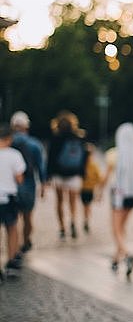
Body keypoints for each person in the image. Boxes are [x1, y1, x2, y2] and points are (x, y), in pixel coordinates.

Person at [103, 123, 133, 276]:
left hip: (117, 195)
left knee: (116, 228)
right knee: (122, 228)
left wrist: (99, 190)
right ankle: (116, 259)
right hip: (132, 196)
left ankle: (127, 255)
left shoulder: (114, 154)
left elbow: (106, 176)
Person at [43, 111, 88, 240]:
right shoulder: (79, 137)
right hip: (74, 175)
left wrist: (48, 176)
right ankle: (73, 221)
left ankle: (62, 228)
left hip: (59, 174)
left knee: (59, 201)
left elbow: (50, 158)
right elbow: (84, 157)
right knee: (73, 202)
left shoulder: (55, 137)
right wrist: (82, 172)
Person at [10, 111, 46, 253]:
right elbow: (40, 166)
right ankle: (26, 241)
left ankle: (14, 246)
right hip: (29, 182)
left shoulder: (7, 142)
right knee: (27, 216)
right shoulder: (35, 144)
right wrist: (43, 184)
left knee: (12, 219)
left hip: (11, 183)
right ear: (27, 126)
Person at [0, 124, 26, 279]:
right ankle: (10, 261)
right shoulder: (14, 154)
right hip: (9, 197)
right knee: (12, 228)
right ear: (9, 138)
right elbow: (19, 179)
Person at [80, 143, 102, 234]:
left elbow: (98, 179)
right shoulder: (93, 165)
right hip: (88, 189)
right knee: (87, 206)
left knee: (86, 206)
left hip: (84, 189)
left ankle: (86, 220)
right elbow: (99, 179)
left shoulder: (81, 164)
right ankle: (86, 220)